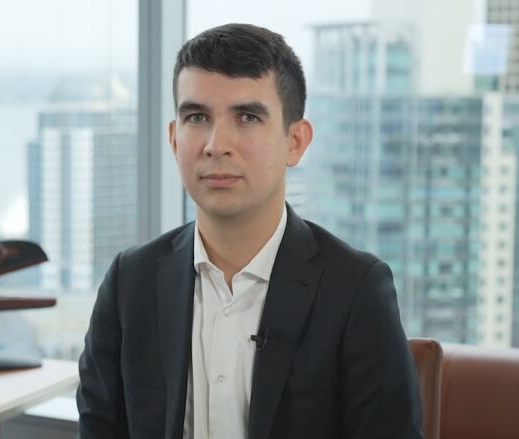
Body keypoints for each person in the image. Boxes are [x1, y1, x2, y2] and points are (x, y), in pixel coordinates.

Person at [76, 23, 423, 439]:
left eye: (247, 117)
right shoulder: (130, 281)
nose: (216, 144)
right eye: (197, 117)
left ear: (295, 141)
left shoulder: (355, 289)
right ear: (173, 138)